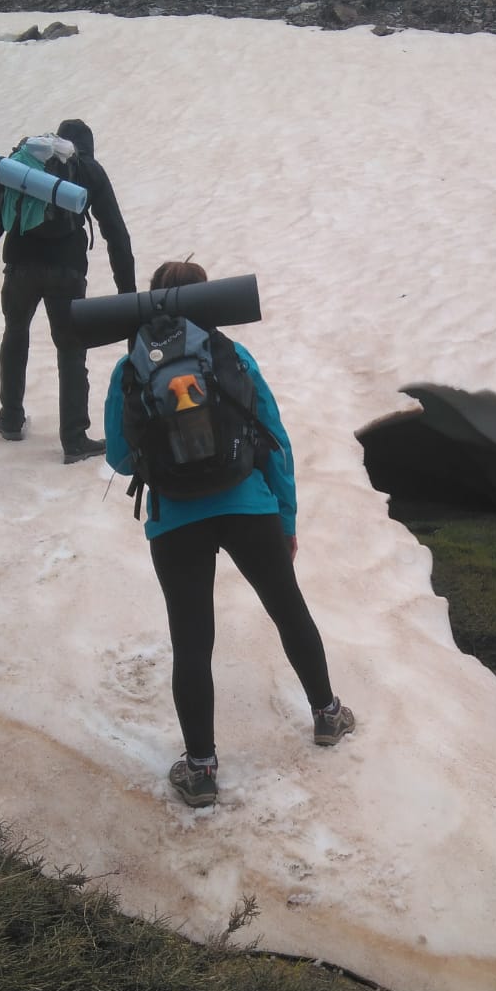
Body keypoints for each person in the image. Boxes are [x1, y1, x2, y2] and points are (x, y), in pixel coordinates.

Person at [104, 260, 355, 807]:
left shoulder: (131, 369)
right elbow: (274, 439)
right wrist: (285, 518)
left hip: (175, 523)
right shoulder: (231, 355)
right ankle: (328, 715)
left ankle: (200, 769)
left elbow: (121, 459)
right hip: (250, 507)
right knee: (288, 609)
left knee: (192, 641)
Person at [0, 117, 135, 463]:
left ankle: (10, 419)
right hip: (67, 272)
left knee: (15, 335)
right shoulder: (88, 171)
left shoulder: (25, 165)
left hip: (19, 268)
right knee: (71, 350)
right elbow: (115, 233)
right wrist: (127, 294)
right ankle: (74, 439)